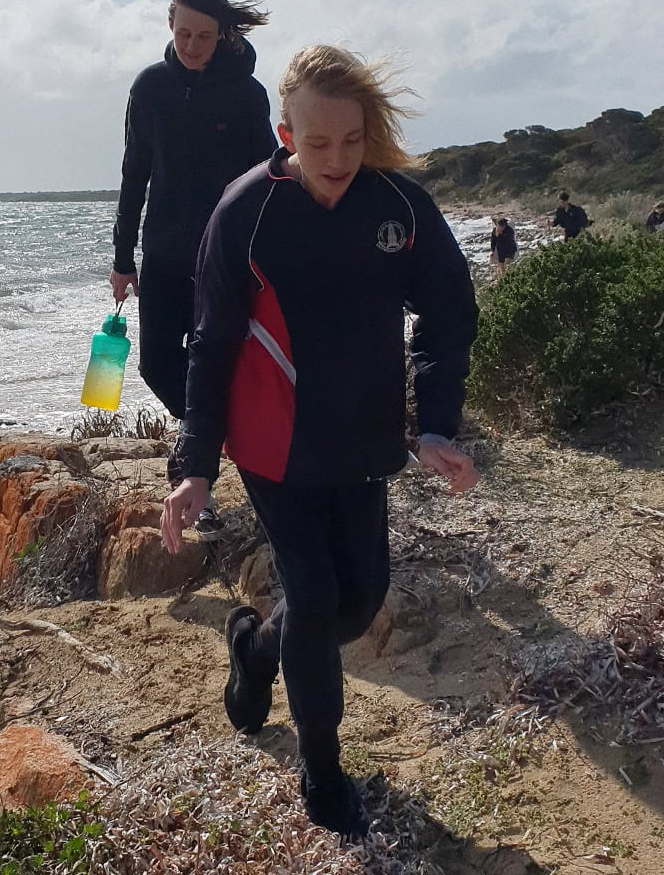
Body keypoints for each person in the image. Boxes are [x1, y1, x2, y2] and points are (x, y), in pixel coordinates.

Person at [160, 44, 480, 838]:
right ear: (286, 134)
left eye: (352, 140)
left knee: (355, 604)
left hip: (362, 440)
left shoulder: (398, 208)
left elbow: (448, 310)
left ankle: (254, 648)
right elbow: (210, 343)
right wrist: (195, 465)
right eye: (318, 142)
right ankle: (323, 769)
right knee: (311, 595)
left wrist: (434, 424)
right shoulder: (245, 213)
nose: (337, 159)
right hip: (272, 444)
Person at [110, 0, 276, 537]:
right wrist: (122, 256)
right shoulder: (150, 87)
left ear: (222, 33)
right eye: (184, 33)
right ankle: (215, 435)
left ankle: (193, 478)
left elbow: (267, 176)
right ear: (170, 23)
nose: (192, 45)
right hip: (162, 251)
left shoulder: (246, 93)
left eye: (204, 35)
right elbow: (135, 172)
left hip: (225, 258)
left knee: (216, 361)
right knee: (156, 364)